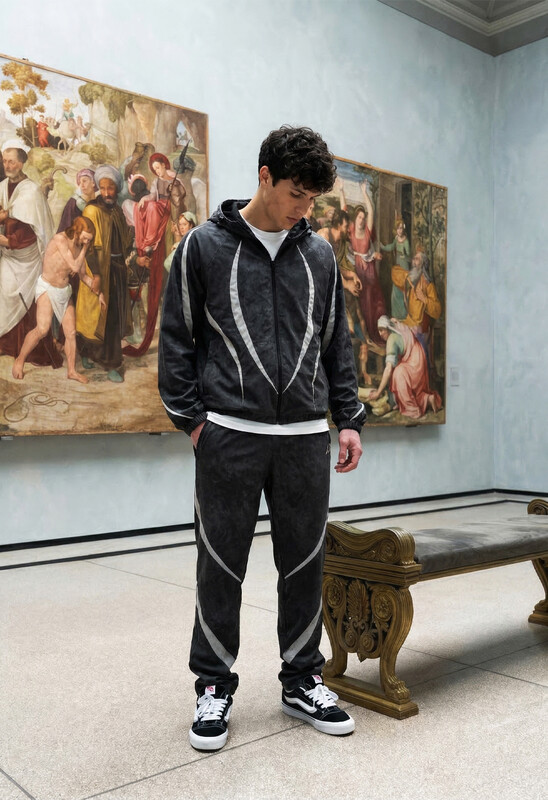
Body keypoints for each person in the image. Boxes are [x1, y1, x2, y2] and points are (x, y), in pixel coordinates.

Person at [159, 125, 365, 752]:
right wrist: (195, 422)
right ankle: (213, 684)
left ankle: (302, 679)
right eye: (296, 193)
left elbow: (337, 342)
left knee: (304, 563)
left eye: (313, 198)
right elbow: (177, 340)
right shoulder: (202, 247)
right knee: (220, 565)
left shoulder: (320, 256)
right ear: (264, 176)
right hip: (230, 434)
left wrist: (348, 418)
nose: (304, 208)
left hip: (304, 437)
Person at [12, 216, 98, 383]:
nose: (87, 242)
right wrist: (85, 249)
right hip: (48, 288)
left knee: (71, 333)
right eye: (85, 238)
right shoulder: (60, 240)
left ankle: (71, 371)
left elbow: (82, 275)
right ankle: (20, 360)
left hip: (64, 291)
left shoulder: (79, 247)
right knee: (42, 329)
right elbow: (74, 266)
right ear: (77, 231)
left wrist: (96, 289)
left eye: (89, 240)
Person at [0, 141, 61, 369]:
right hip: (8, 256)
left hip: (27, 256)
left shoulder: (31, 191)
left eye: (12, 161)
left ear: (22, 163)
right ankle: (7, 345)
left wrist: (7, 240)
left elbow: (30, 232)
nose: (8, 166)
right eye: (5, 161)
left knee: (26, 303)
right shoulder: (2, 186)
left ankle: (30, 351)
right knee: (6, 295)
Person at [75, 164, 138, 382]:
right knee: (99, 317)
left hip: (117, 269)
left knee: (112, 318)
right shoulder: (91, 210)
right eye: (102, 188)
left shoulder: (117, 211)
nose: (106, 193)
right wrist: (96, 275)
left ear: (116, 189)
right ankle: (110, 363)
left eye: (110, 188)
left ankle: (92, 354)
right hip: (99, 270)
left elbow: (124, 241)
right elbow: (88, 246)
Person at [368, 316, 441, 418]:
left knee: (398, 373)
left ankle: (412, 409)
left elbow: (388, 369)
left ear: (388, 328)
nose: (380, 334)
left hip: (414, 362)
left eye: (382, 330)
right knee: (404, 379)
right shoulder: (398, 328)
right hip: (419, 357)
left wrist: (378, 392)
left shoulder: (391, 339)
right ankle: (428, 399)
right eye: (379, 331)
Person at [379, 218, 410, 320]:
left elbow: (409, 256)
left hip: (404, 268)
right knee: (395, 293)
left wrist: (405, 255)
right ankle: (396, 315)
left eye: (401, 228)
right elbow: (391, 247)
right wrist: (382, 247)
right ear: (396, 230)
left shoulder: (406, 241)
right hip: (397, 268)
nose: (400, 230)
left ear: (403, 229)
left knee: (403, 292)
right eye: (398, 228)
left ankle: (404, 316)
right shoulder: (396, 239)